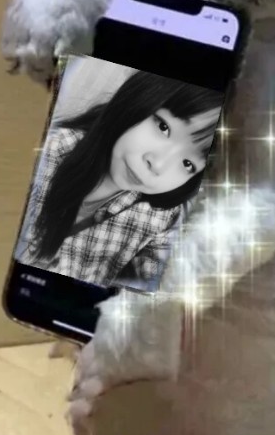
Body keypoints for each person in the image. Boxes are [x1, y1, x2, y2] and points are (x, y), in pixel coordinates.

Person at [17, 69, 223, 288]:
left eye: (188, 164)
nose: (158, 165)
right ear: (138, 99)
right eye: (163, 127)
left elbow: (155, 287)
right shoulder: (50, 153)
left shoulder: (162, 219)